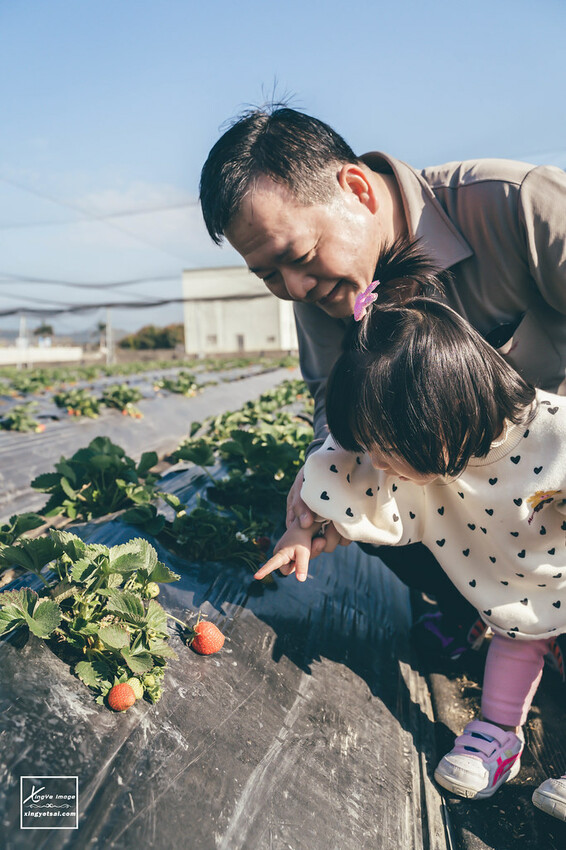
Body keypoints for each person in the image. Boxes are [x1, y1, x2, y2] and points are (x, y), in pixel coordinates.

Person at [199, 104, 566, 657]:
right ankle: (488, 612)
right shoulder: (321, 294)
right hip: (469, 494)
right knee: (357, 496)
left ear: (356, 188)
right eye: (268, 275)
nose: (295, 288)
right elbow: (334, 405)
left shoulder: (515, 204)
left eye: (297, 256)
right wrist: (323, 479)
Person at [253, 240, 566, 817]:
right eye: (375, 451)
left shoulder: (552, 434)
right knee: (516, 636)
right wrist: (306, 531)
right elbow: (357, 486)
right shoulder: (427, 453)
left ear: (442, 412)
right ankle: (500, 735)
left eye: (391, 452)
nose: (385, 466)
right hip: (517, 586)